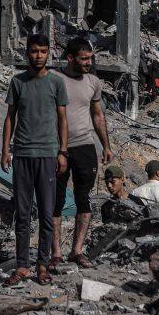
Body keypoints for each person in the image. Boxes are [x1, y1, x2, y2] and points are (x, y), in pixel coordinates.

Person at [0, 34, 69, 287]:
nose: (38, 55)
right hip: (22, 155)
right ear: (26, 53)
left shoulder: (56, 83)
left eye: (42, 51)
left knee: (47, 214)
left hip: (48, 154)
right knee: (22, 213)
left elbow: (63, 119)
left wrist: (63, 152)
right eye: (34, 51)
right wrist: (5, 150)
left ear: (49, 52)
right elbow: (10, 117)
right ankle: (22, 265)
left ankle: (42, 264)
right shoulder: (18, 82)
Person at [50, 37, 113, 270]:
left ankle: (77, 251)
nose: (89, 62)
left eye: (91, 58)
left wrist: (105, 145)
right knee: (55, 199)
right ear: (70, 58)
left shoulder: (93, 82)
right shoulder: (54, 79)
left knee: (83, 198)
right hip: (58, 149)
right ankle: (55, 253)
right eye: (84, 58)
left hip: (85, 146)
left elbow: (97, 115)